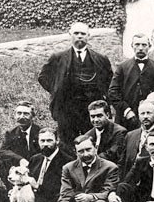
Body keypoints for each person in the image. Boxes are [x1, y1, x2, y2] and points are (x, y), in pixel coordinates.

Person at [38, 21, 113, 151]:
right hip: (67, 108)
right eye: (76, 33)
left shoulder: (100, 59)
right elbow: (43, 77)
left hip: (91, 109)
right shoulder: (58, 58)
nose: (79, 36)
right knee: (67, 144)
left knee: (92, 141)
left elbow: (109, 81)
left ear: (88, 36)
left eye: (83, 34)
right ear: (70, 35)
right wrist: (56, 90)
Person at [40, 135, 119, 202]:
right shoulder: (68, 168)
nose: (85, 154)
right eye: (81, 151)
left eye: (88, 149)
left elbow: (108, 190)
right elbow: (65, 194)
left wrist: (91, 197)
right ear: (75, 152)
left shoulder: (110, 167)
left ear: (95, 148)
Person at [108, 33, 154, 131]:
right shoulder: (122, 67)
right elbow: (113, 92)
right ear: (132, 46)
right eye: (137, 44)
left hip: (151, 118)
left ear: (149, 46)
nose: (140, 48)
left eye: (144, 45)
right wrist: (126, 110)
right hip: (126, 119)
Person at [26, 128, 72, 202]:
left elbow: (60, 190)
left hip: (50, 199)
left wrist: (37, 186)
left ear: (57, 141)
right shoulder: (35, 159)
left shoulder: (66, 161)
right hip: (31, 198)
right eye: (42, 141)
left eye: (49, 141)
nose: (45, 144)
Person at [121, 99, 154, 172]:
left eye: (149, 113)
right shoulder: (130, 135)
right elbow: (122, 163)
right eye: (142, 113)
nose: (145, 116)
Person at [82, 100, 127, 165]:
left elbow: (112, 155)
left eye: (99, 116)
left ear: (107, 115)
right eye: (92, 116)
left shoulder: (119, 132)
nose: (96, 120)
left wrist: (90, 159)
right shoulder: (88, 135)